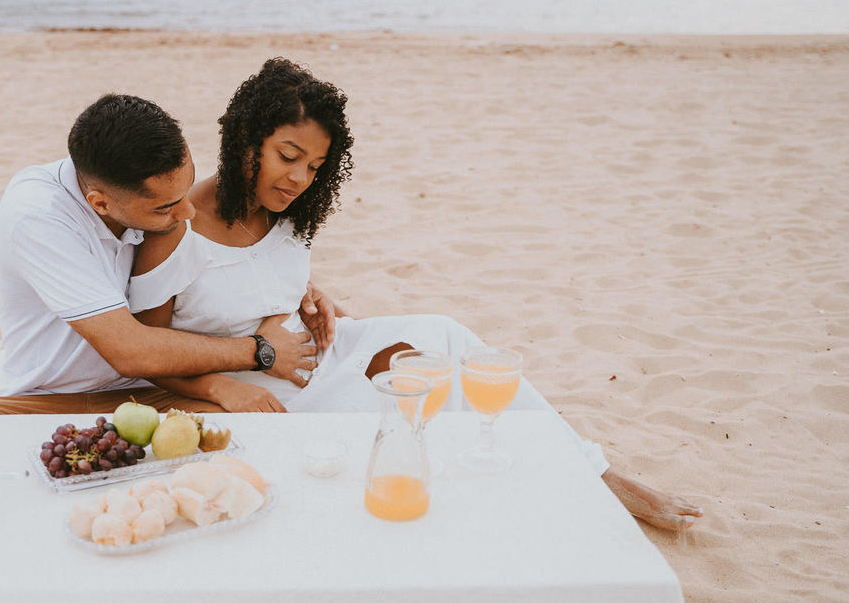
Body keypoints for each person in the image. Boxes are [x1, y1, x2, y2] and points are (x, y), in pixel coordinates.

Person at [127, 58, 703, 532]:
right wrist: (221, 385)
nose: (300, 179)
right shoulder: (178, 226)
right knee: (390, 427)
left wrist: (309, 294)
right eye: (288, 156)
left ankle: (596, 472)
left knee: (445, 338)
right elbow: (146, 353)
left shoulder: (289, 211)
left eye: (316, 166)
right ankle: (546, 484)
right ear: (245, 140)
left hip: (324, 351)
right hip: (260, 389)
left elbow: (260, 277)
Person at [0, 94, 324, 418]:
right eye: (167, 208)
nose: (188, 212)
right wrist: (260, 350)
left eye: (185, 190)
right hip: (57, 396)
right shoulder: (39, 217)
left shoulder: (141, 175)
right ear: (100, 204)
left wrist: (295, 286)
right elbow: (131, 351)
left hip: (148, 391)